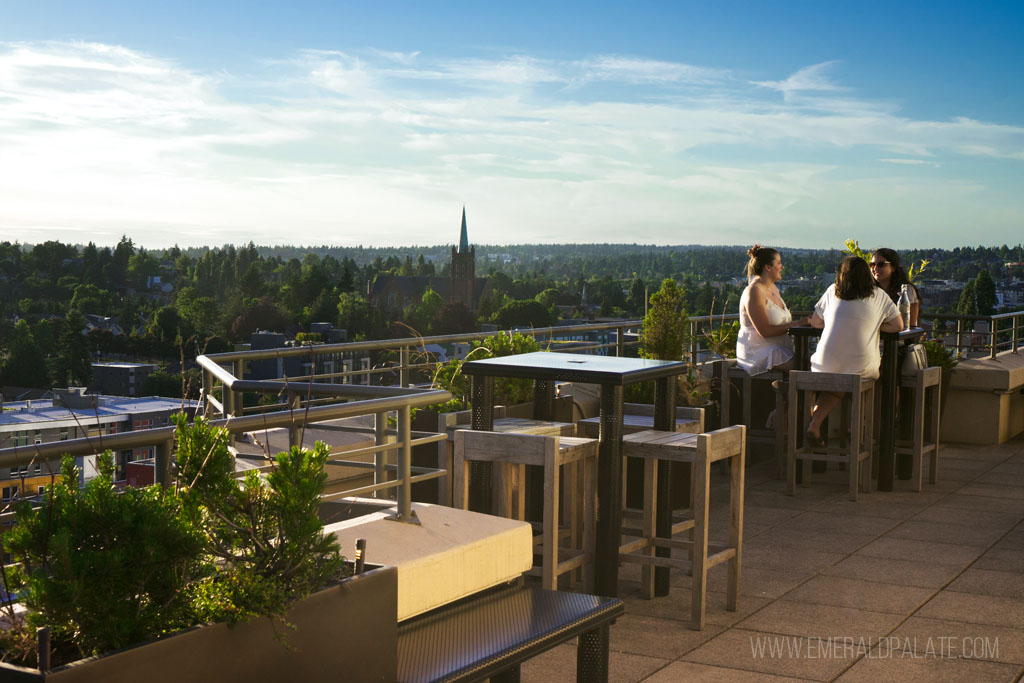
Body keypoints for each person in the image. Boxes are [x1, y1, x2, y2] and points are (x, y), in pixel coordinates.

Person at [805, 256, 903, 444]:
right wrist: (874, 325)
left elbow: (816, 322)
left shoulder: (832, 291)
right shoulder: (878, 295)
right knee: (853, 375)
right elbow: (898, 325)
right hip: (860, 367)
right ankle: (861, 435)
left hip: (823, 364)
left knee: (838, 380)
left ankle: (815, 425)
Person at [736, 245, 808, 375]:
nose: (782, 267)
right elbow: (765, 331)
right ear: (767, 267)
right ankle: (790, 392)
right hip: (758, 351)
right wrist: (798, 323)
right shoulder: (754, 291)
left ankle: (787, 391)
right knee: (804, 367)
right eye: (779, 263)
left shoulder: (773, 288)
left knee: (813, 361)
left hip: (779, 347)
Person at [870, 248, 920, 327]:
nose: (875, 268)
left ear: (893, 267)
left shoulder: (906, 290)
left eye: (880, 264)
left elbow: (911, 324)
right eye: (872, 265)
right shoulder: (869, 290)